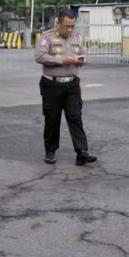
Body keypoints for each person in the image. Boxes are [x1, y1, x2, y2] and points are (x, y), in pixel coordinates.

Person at [34, 10, 97, 166]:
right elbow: (40, 56)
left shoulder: (77, 37)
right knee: (52, 119)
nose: (69, 29)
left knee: (75, 117)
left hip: (72, 84)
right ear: (58, 23)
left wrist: (81, 61)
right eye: (66, 26)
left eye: (72, 26)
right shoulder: (47, 37)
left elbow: (83, 53)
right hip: (52, 84)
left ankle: (82, 152)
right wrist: (63, 60)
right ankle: (50, 151)